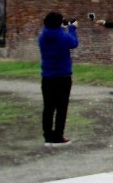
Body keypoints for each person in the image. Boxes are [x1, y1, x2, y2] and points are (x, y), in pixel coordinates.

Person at [38, 12, 78, 147]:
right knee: (61, 107)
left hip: (47, 76)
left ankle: (48, 136)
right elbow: (73, 43)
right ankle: (58, 136)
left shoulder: (43, 36)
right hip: (62, 76)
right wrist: (72, 28)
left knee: (48, 107)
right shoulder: (62, 37)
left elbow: (59, 35)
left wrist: (63, 27)